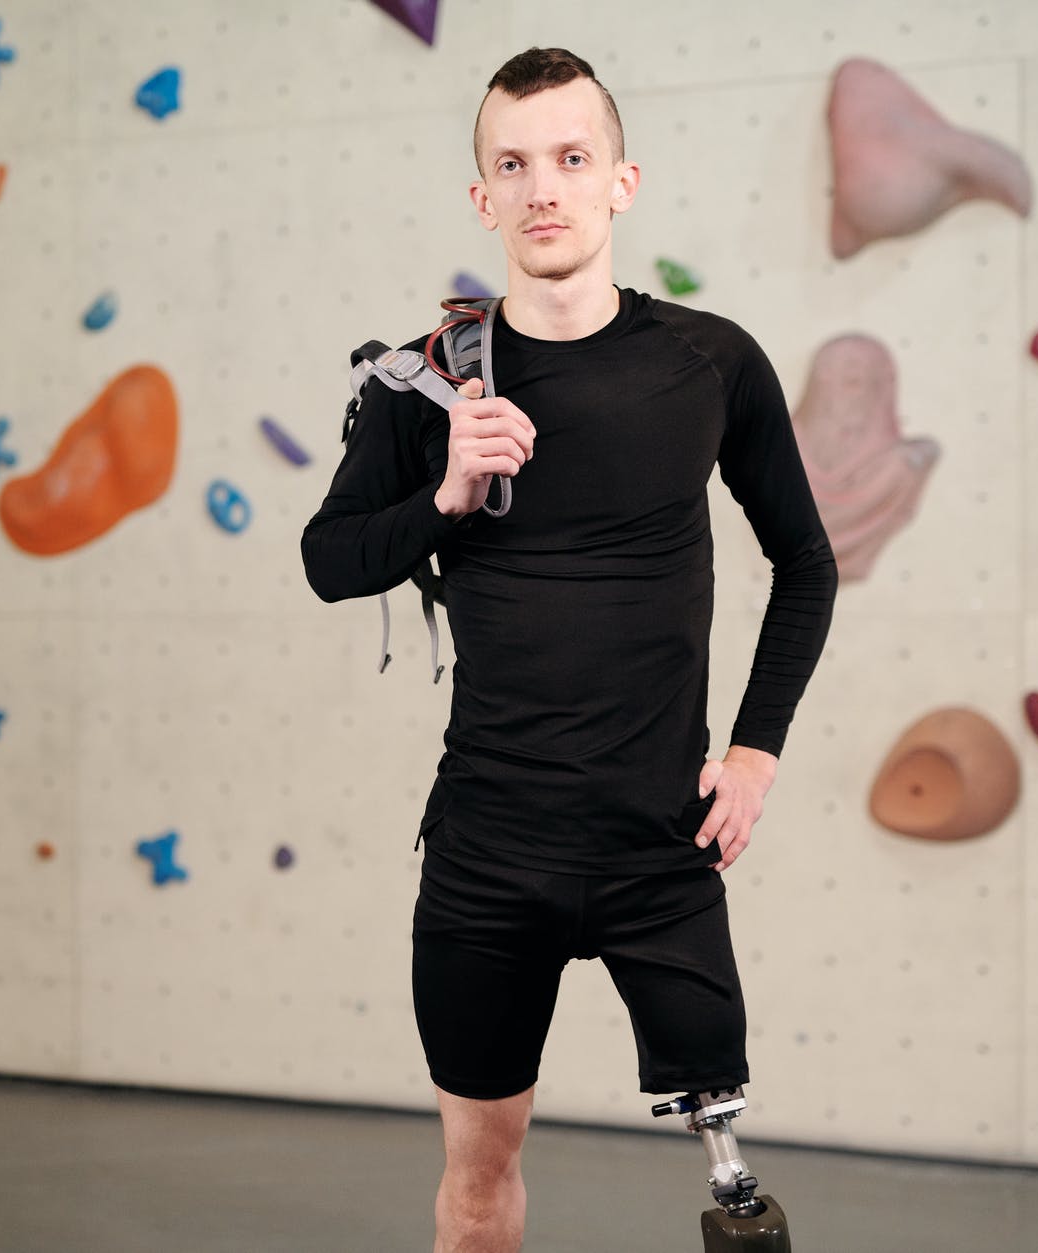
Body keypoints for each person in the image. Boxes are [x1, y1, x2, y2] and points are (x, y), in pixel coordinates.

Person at [300, 47, 838, 1253]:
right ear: (481, 198)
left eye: (570, 158)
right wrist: (443, 492)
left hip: (657, 841)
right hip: (490, 848)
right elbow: (328, 559)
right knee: (478, 1184)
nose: (543, 186)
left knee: (737, 1202)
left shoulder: (709, 362)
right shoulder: (430, 384)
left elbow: (804, 561)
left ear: (619, 182)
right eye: (512, 163)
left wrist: (752, 753)